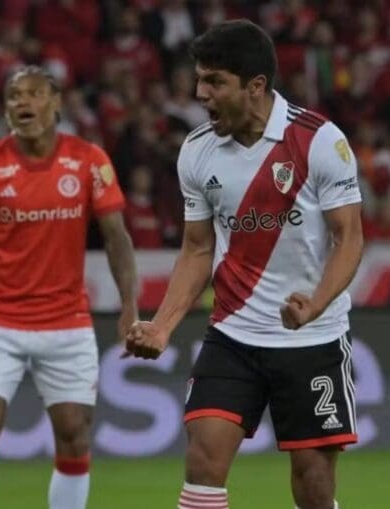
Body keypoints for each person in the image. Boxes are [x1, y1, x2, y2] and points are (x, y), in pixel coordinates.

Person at [125, 20, 363, 509]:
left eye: (214, 82)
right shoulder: (196, 150)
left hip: (311, 338)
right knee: (204, 461)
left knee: (314, 481)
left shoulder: (319, 142)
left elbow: (349, 237)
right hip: (233, 334)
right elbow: (196, 249)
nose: (200, 93)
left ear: (255, 86)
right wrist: (164, 326)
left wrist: (316, 305)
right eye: (199, 80)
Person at [0, 66, 138, 509]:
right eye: (14, 96)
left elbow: (117, 238)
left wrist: (129, 307)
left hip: (67, 321)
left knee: (73, 434)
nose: (22, 104)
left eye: (33, 94)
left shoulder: (89, 160)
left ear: (56, 103)